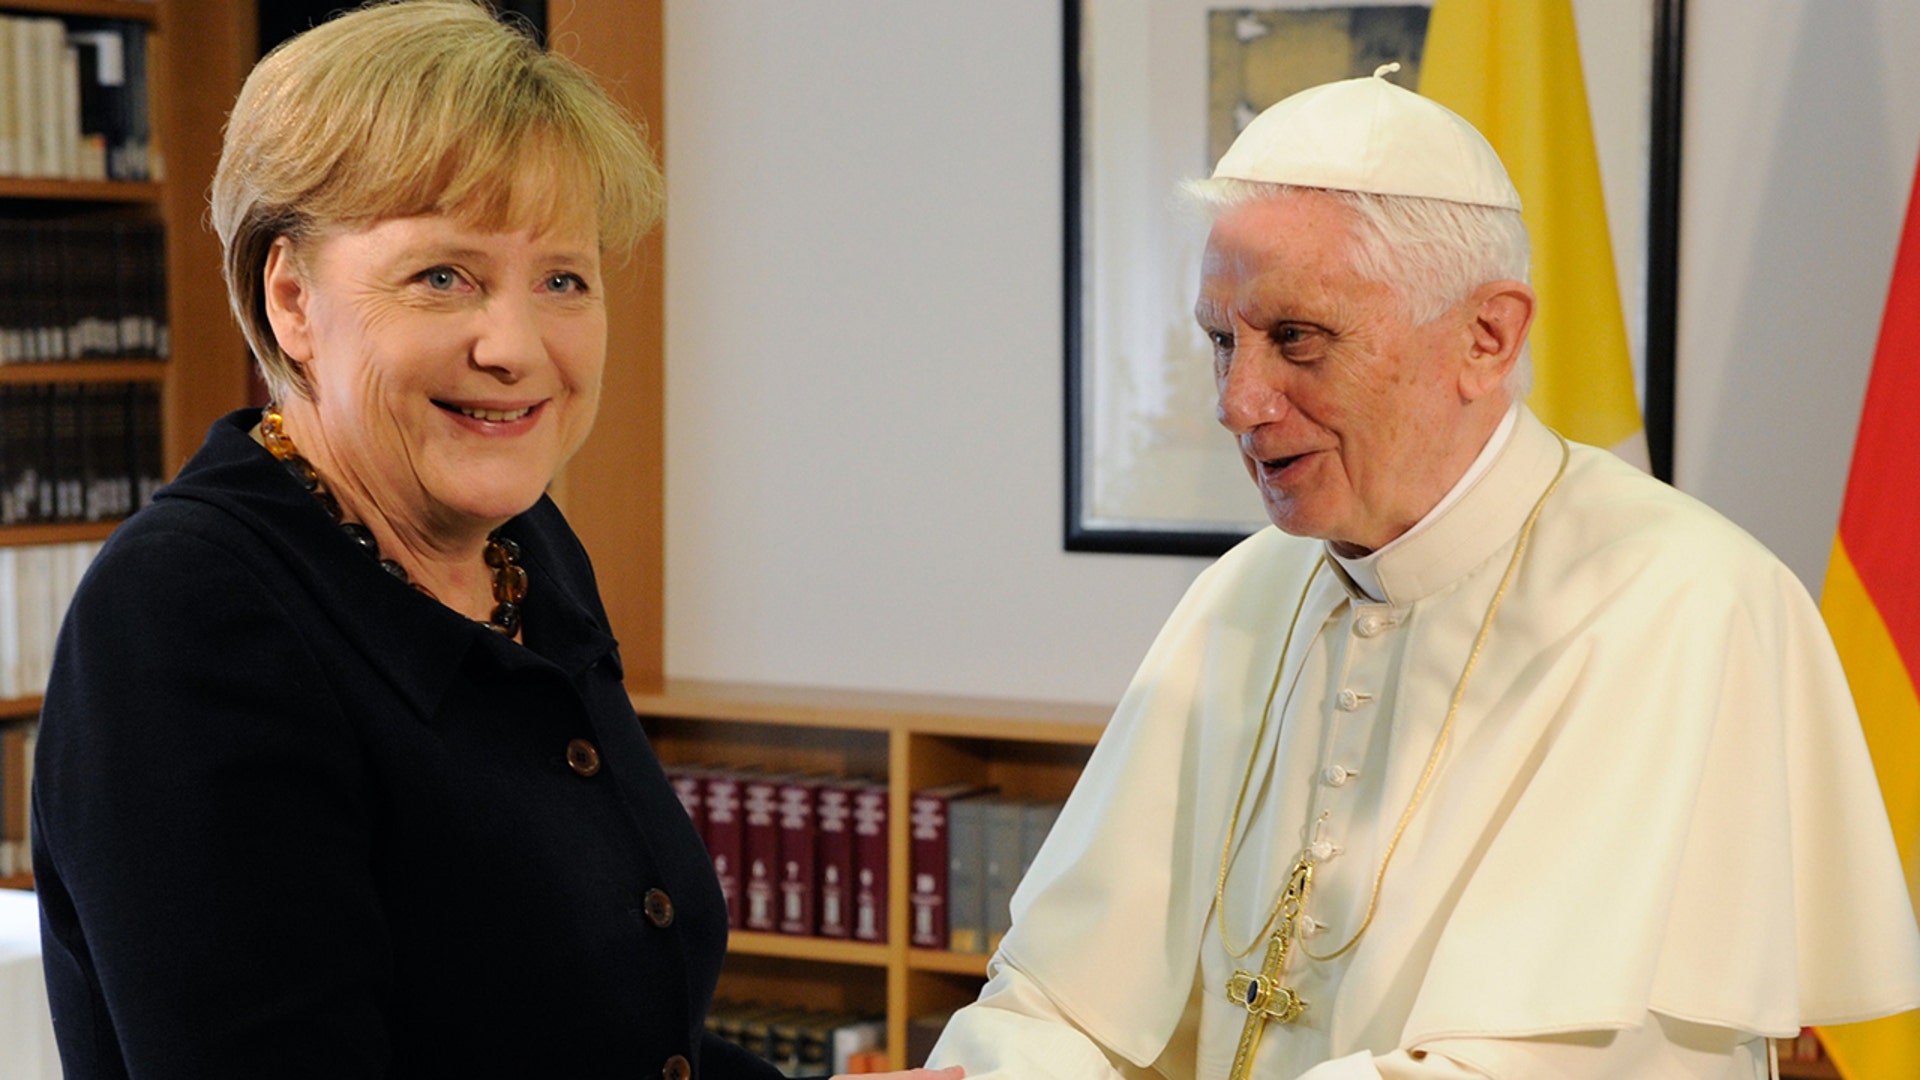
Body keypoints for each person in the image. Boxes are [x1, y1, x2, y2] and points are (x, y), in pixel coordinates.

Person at [928, 70, 1920, 1079]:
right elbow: (1058, 993)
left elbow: (1557, 1064)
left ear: (1486, 338)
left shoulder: (1686, 607)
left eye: (1296, 339)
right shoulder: (1246, 592)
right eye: (1221, 339)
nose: (1237, 401)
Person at [30, 5, 958, 1079]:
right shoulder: (186, 615)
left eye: (563, 279)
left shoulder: (525, 551)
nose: (515, 347)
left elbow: (603, 1037)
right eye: (443, 277)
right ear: (290, 298)